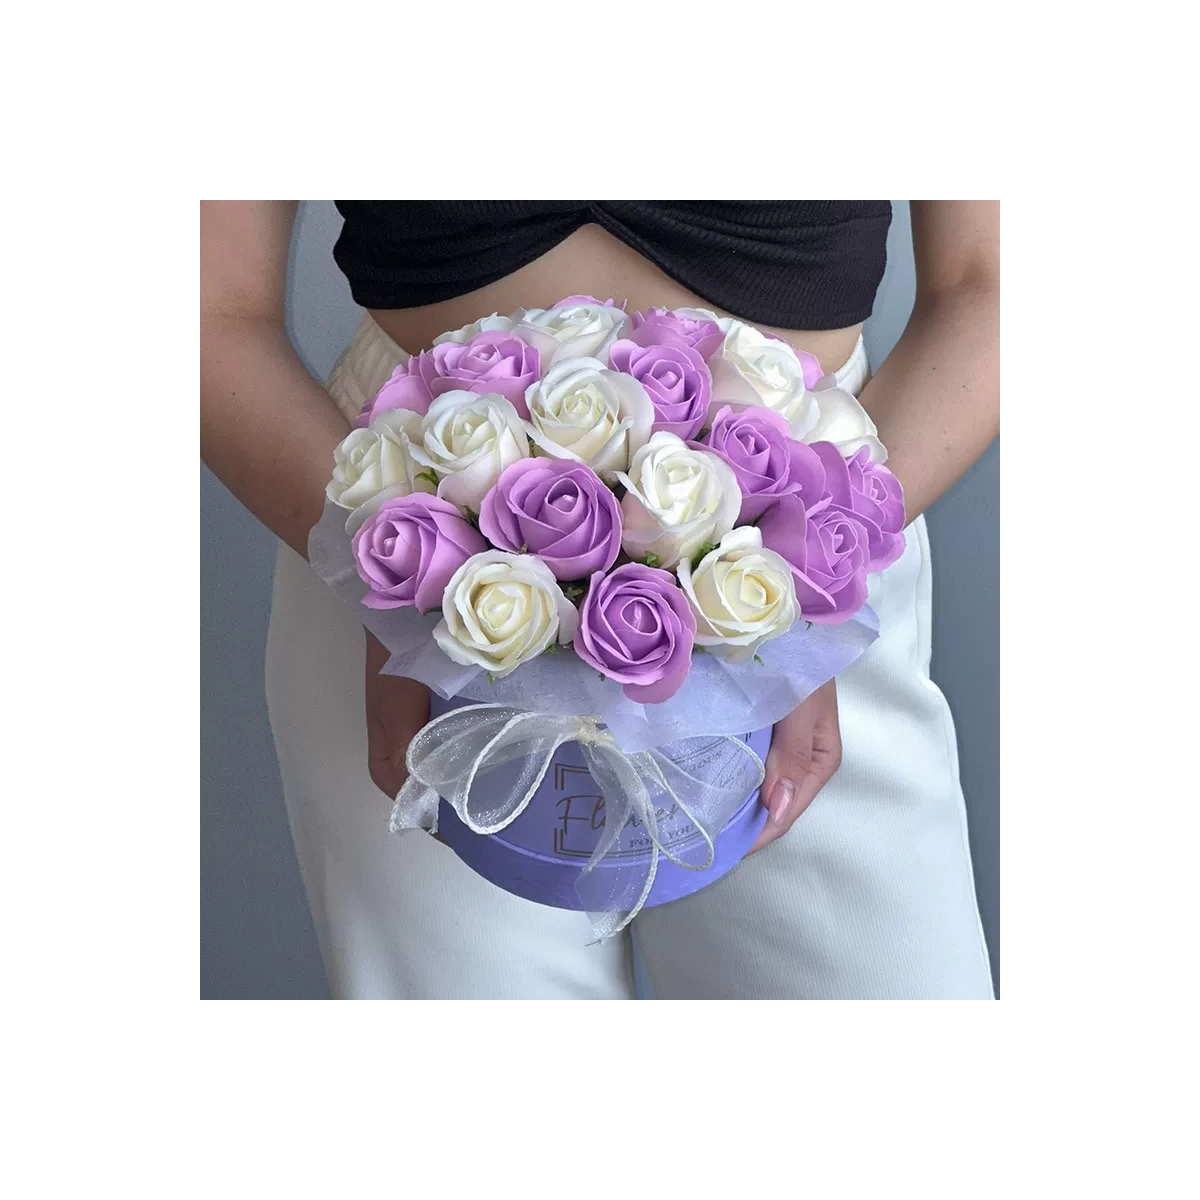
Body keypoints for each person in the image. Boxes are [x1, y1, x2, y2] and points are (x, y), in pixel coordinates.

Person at [200, 201, 998, 999]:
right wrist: (395, 578)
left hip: (807, 524)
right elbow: (210, 307)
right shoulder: (397, 563)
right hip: (406, 519)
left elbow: (987, 284)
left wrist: (805, 596)